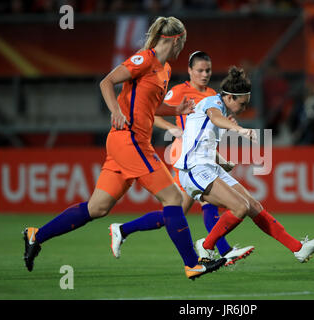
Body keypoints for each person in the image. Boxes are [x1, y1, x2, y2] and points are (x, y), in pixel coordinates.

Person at [22, 16, 226, 280]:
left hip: (130, 142)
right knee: (173, 198)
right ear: (175, 40)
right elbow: (106, 82)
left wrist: (174, 109)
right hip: (129, 140)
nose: (181, 49)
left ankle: (35, 235)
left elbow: (150, 107)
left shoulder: (163, 70)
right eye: (182, 43)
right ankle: (192, 264)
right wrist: (116, 111)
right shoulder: (144, 59)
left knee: (98, 208)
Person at [108, 51, 254, 266]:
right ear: (190, 71)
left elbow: (210, 129)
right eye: (200, 70)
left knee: (175, 213)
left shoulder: (214, 94)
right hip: (185, 155)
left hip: (203, 155)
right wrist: (172, 128)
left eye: (208, 70)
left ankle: (122, 229)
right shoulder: (179, 92)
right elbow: (152, 113)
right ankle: (223, 251)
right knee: (204, 204)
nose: (204, 74)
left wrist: (220, 155)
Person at [173, 66, 314, 265]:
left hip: (208, 166)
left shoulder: (222, 110)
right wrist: (239, 129)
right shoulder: (213, 103)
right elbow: (215, 117)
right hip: (193, 169)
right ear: (229, 97)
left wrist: (222, 161)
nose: (245, 108)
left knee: (253, 206)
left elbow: (202, 142)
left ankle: (298, 248)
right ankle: (207, 245)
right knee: (239, 207)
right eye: (243, 104)